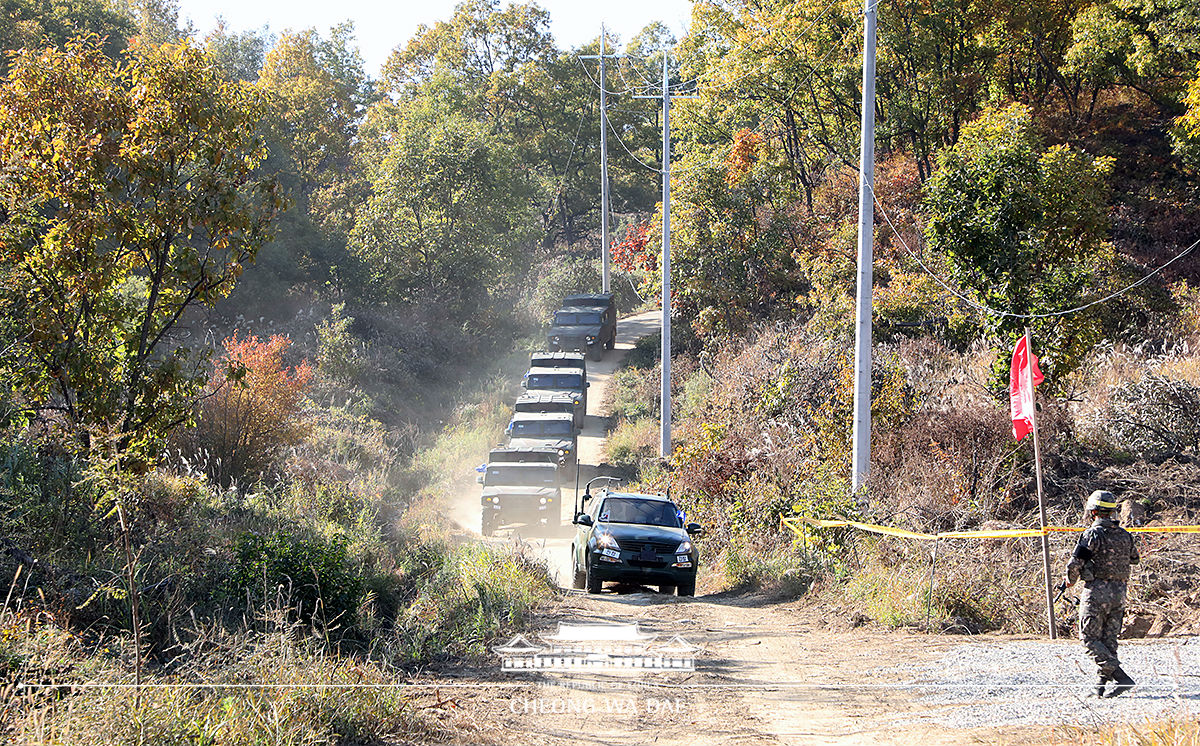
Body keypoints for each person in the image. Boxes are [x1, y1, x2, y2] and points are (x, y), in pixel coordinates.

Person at [1065, 490, 1140, 697]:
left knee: (1089, 638)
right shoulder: (1125, 535)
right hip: (1120, 593)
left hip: (1097, 592)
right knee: (1109, 640)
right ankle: (1100, 686)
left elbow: (1075, 564)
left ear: (1093, 512)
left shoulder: (1092, 534)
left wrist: (1070, 581)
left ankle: (1121, 678)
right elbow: (1135, 558)